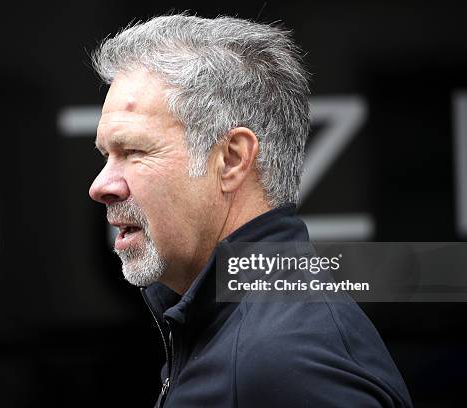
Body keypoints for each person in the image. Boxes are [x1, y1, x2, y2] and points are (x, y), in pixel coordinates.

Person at [88, 14, 413, 407]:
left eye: (134, 151)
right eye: (107, 155)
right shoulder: (237, 332)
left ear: (231, 159)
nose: (100, 186)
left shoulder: (285, 362)